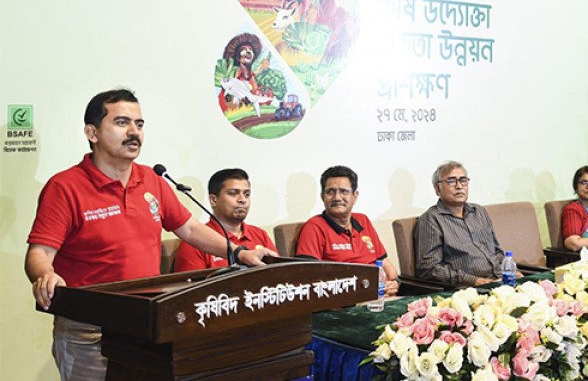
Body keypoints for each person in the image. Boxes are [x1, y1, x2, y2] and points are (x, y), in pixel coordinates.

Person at [24, 89, 277, 381]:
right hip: (90, 331)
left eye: (139, 124)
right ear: (92, 132)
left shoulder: (152, 180)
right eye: (122, 122)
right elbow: (39, 253)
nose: (134, 132)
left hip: (145, 323)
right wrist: (46, 274)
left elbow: (191, 229)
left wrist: (240, 252)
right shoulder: (65, 187)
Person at [295, 165, 399, 296]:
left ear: (355, 196)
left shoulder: (363, 220)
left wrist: (395, 282)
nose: (337, 197)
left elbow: (384, 262)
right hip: (346, 299)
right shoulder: (314, 227)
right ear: (322, 196)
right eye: (330, 192)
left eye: (344, 191)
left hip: (381, 295)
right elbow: (308, 276)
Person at [414, 161, 519, 286]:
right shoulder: (431, 219)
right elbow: (429, 268)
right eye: (451, 181)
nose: (459, 186)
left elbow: (496, 251)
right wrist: (473, 280)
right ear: (438, 188)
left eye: (463, 180)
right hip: (467, 288)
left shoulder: (479, 211)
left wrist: (512, 271)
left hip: (500, 280)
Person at [174, 168, 278, 271]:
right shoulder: (195, 242)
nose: (242, 200)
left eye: (247, 194)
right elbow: (192, 282)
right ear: (213, 200)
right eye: (233, 193)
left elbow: (279, 274)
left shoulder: (260, 235)